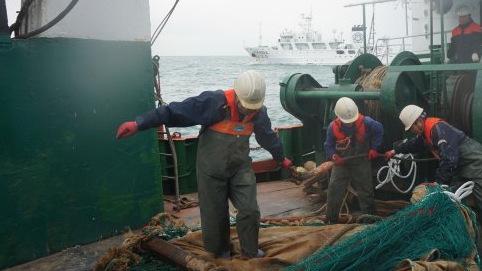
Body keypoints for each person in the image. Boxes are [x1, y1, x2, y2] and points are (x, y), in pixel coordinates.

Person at [116, 70, 292, 259]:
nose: (250, 111)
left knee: (250, 210)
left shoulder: (259, 113)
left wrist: (281, 158)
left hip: (240, 168)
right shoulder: (214, 102)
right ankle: (220, 251)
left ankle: (250, 251)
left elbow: (268, 138)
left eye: (253, 107)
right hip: (211, 170)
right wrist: (138, 124)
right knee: (214, 214)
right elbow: (175, 111)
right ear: (237, 95)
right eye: (246, 106)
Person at [384, 105, 482, 271]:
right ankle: (461, 246)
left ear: (419, 121)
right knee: (453, 206)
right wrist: (394, 150)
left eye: (412, 127)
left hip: (478, 165)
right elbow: (414, 145)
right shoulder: (425, 134)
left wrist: (440, 184)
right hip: (458, 168)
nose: (412, 131)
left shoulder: (438, 129)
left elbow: (449, 160)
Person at [323, 97, 384, 224]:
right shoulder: (332, 128)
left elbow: (379, 131)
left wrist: (374, 148)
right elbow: (328, 145)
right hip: (341, 162)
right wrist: (334, 156)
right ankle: (331, 218)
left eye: (352, 121)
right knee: (334, 188)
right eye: (347, 122)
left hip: (361, 160)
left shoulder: (368, 123)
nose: (349, 123)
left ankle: (369, 217)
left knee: (365, 188)